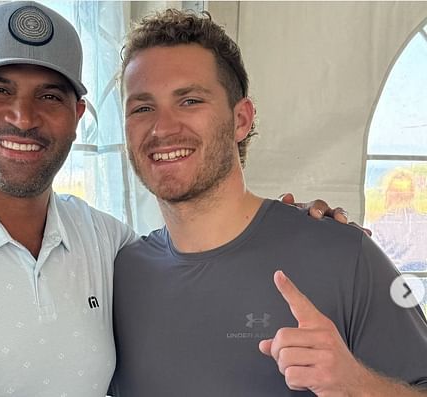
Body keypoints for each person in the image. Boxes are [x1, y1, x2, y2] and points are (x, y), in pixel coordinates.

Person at [0, 2, 347, 396]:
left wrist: (295, 226)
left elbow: (200, 255)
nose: (23, 117)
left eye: (49, 96)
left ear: (78, 117)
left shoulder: (110, 245)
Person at [108, 8, 427, 396]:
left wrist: (357, 385)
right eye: (142, 108)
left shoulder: (345, 254)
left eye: (190, 101)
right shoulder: (120, 274)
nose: (162, 127)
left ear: (241, 119)